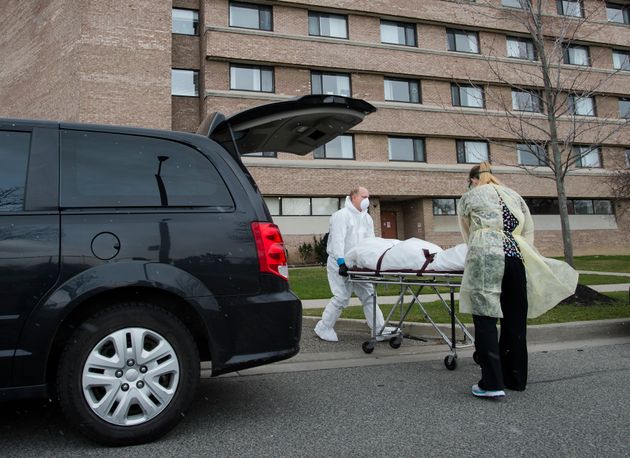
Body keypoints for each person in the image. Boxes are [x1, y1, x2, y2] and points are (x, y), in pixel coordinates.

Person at [457, 162, 577, 398]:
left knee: (486, 317)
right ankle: (516, 377)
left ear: (473, 180)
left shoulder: (470, 197)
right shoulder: (514, 195)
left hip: (486, 257)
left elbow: (467, 231)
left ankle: (491, 384)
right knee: (514, 317)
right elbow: (528, 230)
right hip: (515, 256)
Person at [314, 187, 389, 342]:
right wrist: (341, 262)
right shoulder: (341, 216)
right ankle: (324, 327)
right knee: (341, 297)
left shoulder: (367, 218)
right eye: (363, 196)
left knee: (369, 296)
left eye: (368, 196)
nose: (367, 200)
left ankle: (378, 328)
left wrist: (373, 262)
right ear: (354, 197)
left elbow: (371, 242)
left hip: (358, 265)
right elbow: (338, 240)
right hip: (339, 264)